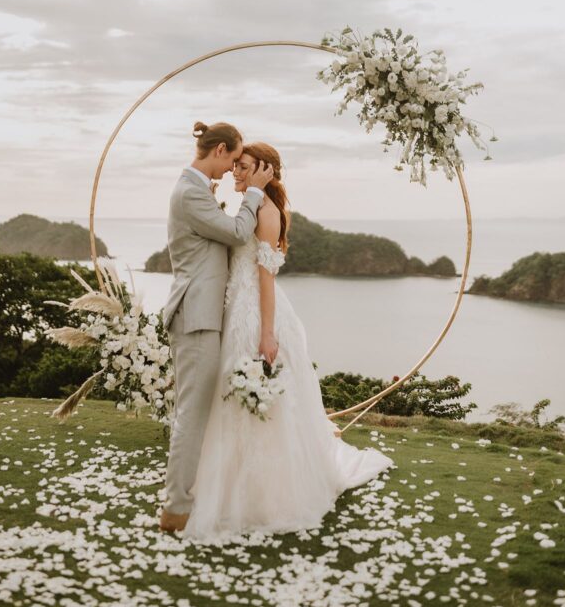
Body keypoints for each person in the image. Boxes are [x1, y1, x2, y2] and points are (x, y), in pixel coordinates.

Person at [180, 141, 395, 542]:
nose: (236, 173)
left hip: (256, 314)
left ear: (265, 170)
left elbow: (265, 277)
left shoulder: (268, 213)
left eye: (243, 167)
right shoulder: (245, 207)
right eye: (236, 165)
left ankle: (267, 495)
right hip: (233, 309)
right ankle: (226, 482)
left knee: (265, 401)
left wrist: (266, 332)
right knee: (230, 397)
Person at [159, 121, 274, 533]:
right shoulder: (190, 191)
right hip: (196, 315)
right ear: (221, 150)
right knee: (191, 414)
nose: (231, 173)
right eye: (233, 162)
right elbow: (237, 230)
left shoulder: (195, 189)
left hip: (207, 313)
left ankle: (189, 496)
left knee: (196, 411)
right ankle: (176, 509)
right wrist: (256, 192)